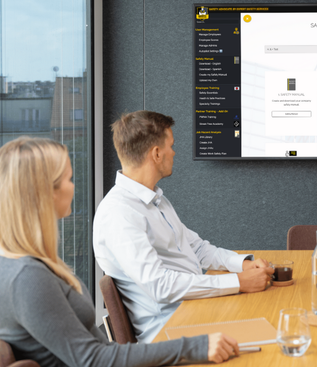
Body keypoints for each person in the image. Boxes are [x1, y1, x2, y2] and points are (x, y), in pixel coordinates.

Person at [0, 137, 238, 366]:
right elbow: (94, 360)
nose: (73, 186)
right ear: (46, 192)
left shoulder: (23, 265)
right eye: (69, 179)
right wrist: (191, 348)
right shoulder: (27, 278)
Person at [93, 110, 274, 343]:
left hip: (194, 311)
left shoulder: (155, 199)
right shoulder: (119, 213)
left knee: (272, 319)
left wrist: (242, 265)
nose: (174, 152)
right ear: (156, 154)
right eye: (171, 145)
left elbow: (197, 248)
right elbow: (160, 286)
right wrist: (238, 283)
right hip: (171, 331)